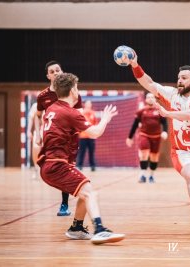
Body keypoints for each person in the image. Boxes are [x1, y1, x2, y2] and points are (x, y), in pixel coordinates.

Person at [128, 51, 190, 230]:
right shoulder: (171, 94)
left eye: (184, 78)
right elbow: (148, 82)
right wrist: (134, 65)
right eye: (178, 77)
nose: (179, 80)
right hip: (182, 151)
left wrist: (168, 113)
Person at [37, 72, 125, 244]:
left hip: (48, 164)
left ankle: (76, 228)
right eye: (77, 87)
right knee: (90, 192)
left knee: (85, 190)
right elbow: (95, 133)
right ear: (72, 91)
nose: (78, 90)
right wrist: (105, 119)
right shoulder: (70, 113)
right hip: (57, 165)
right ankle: (99, 229)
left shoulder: (52, 108)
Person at [35, 60, 83, 216]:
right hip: (53, 139)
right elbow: (38, 116)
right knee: (56, 167)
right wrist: (37, 133)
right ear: (48, 76)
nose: (56, 73)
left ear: (62, 72)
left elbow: (79, 115)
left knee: (68, 168)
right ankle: (65, 201)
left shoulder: (72, 92)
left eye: (58, 70)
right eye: (52, 71)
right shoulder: (43, 96)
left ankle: (64, 204)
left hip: (71, 139)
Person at [126, 93, 168, 183]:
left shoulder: (159, 110)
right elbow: (134, 125)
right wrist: (130, 137)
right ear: (145, 100)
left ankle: (152, 175)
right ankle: (143, 175)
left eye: (152, 97)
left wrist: (165, 131)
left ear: (155, 99)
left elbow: (164, 122)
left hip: (156, 137)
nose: (150, 98)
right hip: (144, 135)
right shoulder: (141, 111)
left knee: (154, 156)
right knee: (144, 153)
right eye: (148, 97)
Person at [77, 100, 98, 171]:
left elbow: (95, 124)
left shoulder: (93, 113)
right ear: (85, 105)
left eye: (90, 104)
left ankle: (92, 166)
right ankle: (79, 165)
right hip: (83, 137)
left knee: (91, 152)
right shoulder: (82, 113)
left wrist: (95, 133)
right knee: (81, 152)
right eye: (87, 103)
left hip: (91, 137)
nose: (88, 105)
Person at [27, 102, 41, 179]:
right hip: (38, 131)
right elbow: (32, 118)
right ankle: (36, 168)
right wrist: (28, 131)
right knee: (35, 149)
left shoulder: (52, 104)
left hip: (48, 130)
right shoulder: (35, 106)